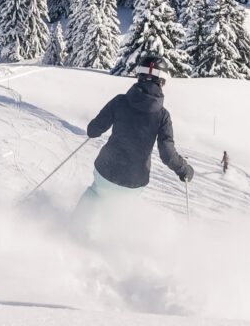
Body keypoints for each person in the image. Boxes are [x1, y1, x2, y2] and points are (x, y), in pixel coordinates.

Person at [77, 56, 193, 224]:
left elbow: (93, 130)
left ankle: (71, 228)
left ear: (139, 76)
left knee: (94, 195)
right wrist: (183, 169)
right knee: (120, 212)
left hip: (106, 170)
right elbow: (167, 153)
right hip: (134, 180)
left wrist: (95, 130)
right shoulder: (162, 116)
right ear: (162, 82)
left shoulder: (119, 101)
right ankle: (107, 237)